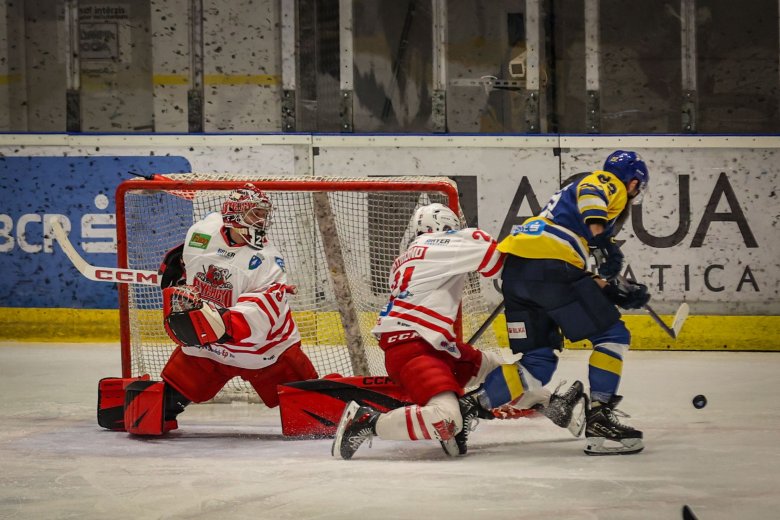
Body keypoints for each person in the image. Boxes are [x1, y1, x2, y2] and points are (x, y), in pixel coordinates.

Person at [331, 203, 584, 460]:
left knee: (497, 369)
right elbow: (496, 262)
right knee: (447, 419)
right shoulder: (444, 243)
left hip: (434, 344)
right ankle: (367, 421)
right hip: (414, 348)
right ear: (446, 228)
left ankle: (552, 405)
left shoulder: (405, 257)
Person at [118, 184, 319, 435]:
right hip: (208, 351)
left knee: (316, 409)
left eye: (263, 214)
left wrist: (220, 323)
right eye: (254, 214)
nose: (261, 221)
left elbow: (262, 312)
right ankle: (143, 408)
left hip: (264, 353)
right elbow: (192, 253)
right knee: (153, 415)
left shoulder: (267, 259)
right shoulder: (203, 232)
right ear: (233, 215)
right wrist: (177, 264)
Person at [491, 150, 651, 455]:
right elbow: (592, 195)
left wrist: (613, 291)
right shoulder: (609, 183)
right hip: (551, 267)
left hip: (518, 269)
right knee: (612, 335)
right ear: (633, 182)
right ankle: (601, 418)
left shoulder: (564, 211)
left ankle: (468, 407)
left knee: (537, 362)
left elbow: (566, 272)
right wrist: (603, 242)